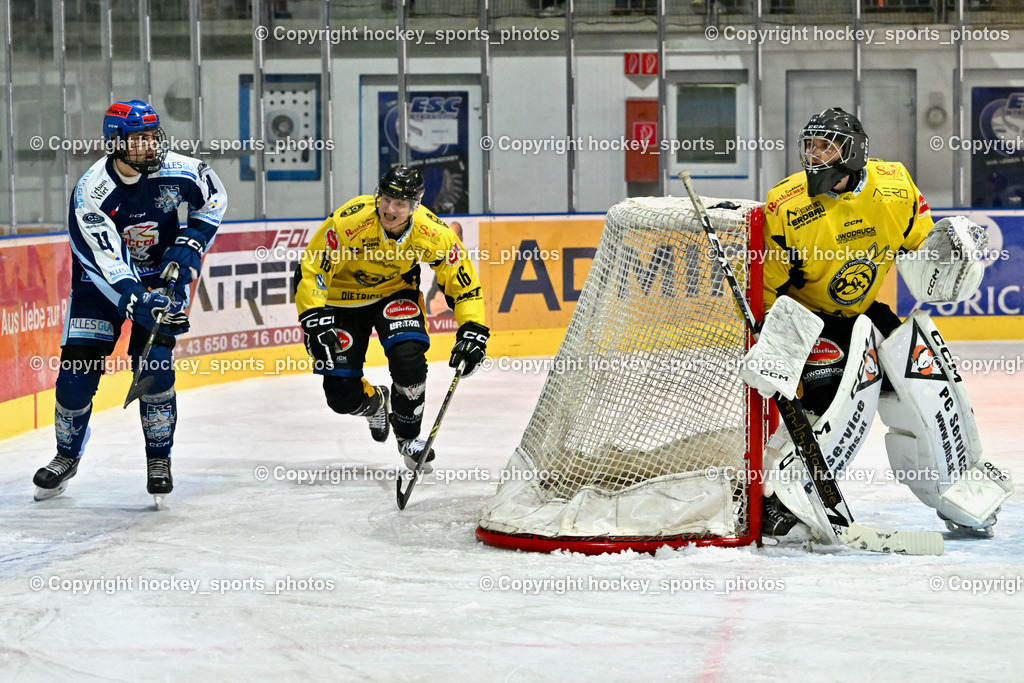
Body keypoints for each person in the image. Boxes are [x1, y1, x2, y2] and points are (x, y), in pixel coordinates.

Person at [742, 107, 1013, 544]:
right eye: (810, 145)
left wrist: (952, 248)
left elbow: (921, 247)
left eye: (827, 146)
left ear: (854, 152)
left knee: (927, 379)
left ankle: (956, 487)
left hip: (866, 311)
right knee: (832, 406)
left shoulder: (894, 186)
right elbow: (769, 290)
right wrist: (779, 342)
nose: (815, 155)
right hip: (811, 320)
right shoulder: (786, 204)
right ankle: (777, 499)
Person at [32, 100, 227, 507]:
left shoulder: (179, 169)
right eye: (138, 139)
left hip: (161, 281)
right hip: (100, 288)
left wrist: (191, 240)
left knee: (155, 370)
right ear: (115, 143)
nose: (150, 146)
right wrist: (135, 298)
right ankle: (67, 456)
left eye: (153, 136)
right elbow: (104, 262)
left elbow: (214, 197)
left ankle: (159, 459)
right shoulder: (91, 191)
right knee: (74, 381)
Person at [293, 165, 487, 472]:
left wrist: (473, 327)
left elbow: (461, 280)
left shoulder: (433, 232)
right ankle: (375, 402)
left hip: (395, 293)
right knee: (341, 397)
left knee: (409, 358)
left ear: (414, 207)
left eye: (400, 203)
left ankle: (409, 437)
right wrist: (313, 316)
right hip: (340, 300)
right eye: (385, 198)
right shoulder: (349, 221)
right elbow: (313, 267)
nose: (389, 208)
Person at [425, 220, 462, 316]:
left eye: (454, 235)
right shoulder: (442, 264)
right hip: (444, 319)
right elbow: (429, 304)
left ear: (461, 239)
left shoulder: (464, 264)